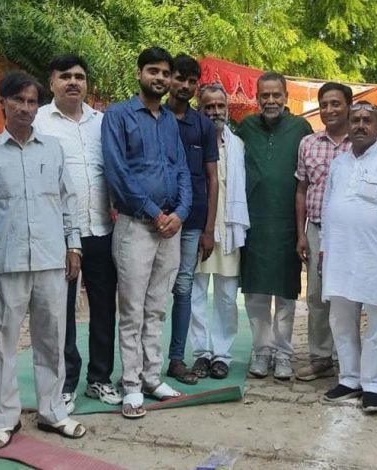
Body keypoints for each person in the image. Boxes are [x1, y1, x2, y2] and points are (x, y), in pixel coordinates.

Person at [0, 71, 87, 449]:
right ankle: (4, 419)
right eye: (17, 100)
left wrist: (73, 247)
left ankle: (53, 412)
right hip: (4, 265)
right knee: (3, 345)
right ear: (2, 103)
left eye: (32, 101)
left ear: (39, 106)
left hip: (52, 260)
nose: (25, 107)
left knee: (52, 341)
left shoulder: (53, 150)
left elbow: (68, 201)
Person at [102, 47, 192, 419]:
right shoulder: (118, 115)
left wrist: (181, 213)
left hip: (169, 229)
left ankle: (153, 379)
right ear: (139, 73)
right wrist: (156, 214)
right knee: (133, 310)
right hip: (136, 226)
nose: (160, 78)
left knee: (157, 307)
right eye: (153, 71)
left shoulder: (169, 120)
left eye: (165, 73)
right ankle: (131, 386)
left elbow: (182, 169)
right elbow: (118, 173)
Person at [34, 54, 121, 412]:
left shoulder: (103, 122)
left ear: (87, 84)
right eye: (65, 76)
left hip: (101, 229)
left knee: (104, 308)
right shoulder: (38, 120)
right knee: (61, 312)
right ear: (52, 83)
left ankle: (100, 378)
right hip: (59, 235)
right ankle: (66, 382)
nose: (73, 82)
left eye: (80, 77)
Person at [320, 101, 377, 413]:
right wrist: (324, 249)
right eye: (355, 120)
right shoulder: (339, 164)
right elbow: (327, 208)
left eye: (367, 120)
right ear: (348, 125)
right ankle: (350, 379)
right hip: (339, 255)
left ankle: (374, 385)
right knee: (340, 320)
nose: (360, 125)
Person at [237, 72, 313, 380]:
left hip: (287, 224)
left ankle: (283, 353)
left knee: (285, 294)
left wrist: (302, 230)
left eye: (276, 95)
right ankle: (262, 350)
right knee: (255, 293)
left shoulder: (301, 128)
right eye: (265, 96)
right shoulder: (246, 128)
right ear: (257, 98)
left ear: (285, 97)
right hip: (253, 222)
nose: (270, 101)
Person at [188, 83, 250, 379]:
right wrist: (203, 229)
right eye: (209, 106)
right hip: (198, 229)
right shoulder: (191, 142)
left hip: (230, 228)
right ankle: (201, 354)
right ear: (199, 109)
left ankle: (222, 355)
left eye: (220, 106)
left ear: (227, 109)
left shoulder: (237, 145)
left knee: (226, 297)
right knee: (196, 294)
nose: (215, 112)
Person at [164, 55, 219, 385]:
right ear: (168, 79)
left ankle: (176, 359)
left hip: (193, 220)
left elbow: (212, 178)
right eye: (179, 78)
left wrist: (209, 228)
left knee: (183, 287)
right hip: (155, 219)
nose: (184, 85)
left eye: (191, 81)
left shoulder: (203, 126)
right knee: (150, 291)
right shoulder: (154, 117)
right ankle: (141, 364)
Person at [294, 82, 353, 381]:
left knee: (348, 296)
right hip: (317, 229)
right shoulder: (308, 143)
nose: (329, 110)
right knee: (316, 296)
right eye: (324, 104)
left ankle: (349, 361)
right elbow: (301, 190)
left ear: (348, 106)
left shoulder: (363, 142)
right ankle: (320, 358)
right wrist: (302, 233)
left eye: (335, 103)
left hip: (351, 234)